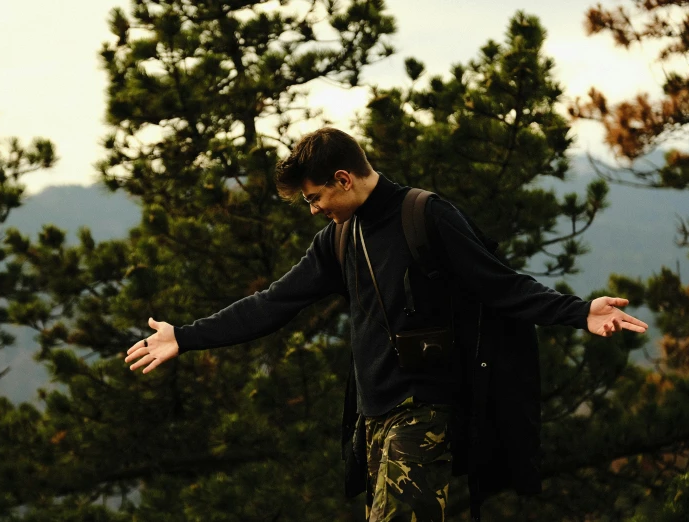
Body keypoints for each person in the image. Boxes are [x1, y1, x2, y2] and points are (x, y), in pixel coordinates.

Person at [124, 127, 648, 521]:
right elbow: (272, 304)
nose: (313, 210)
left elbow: (501, 284)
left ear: (343, 179)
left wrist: (579, 311)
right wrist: (185, 337)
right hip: (371, 422)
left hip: (423, 414)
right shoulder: (338, 238)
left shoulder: (426, 216)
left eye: (315, 198)